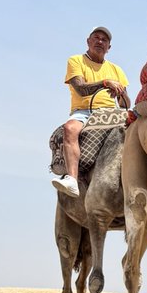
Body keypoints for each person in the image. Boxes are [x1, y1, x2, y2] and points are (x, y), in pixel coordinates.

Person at [52, 27, 130, 199]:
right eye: (96, 37)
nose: (100, 41)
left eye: (104, 40)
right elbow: (80, 89)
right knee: (70, 129)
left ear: (109, 47)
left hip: (110, 112)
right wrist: (104, 83)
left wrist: (121, 93)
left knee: (137, 128)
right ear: (88, 41)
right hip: (84, 111)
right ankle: (72, 179)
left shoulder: (117, 70)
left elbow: (125, 104)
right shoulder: (76, 61)